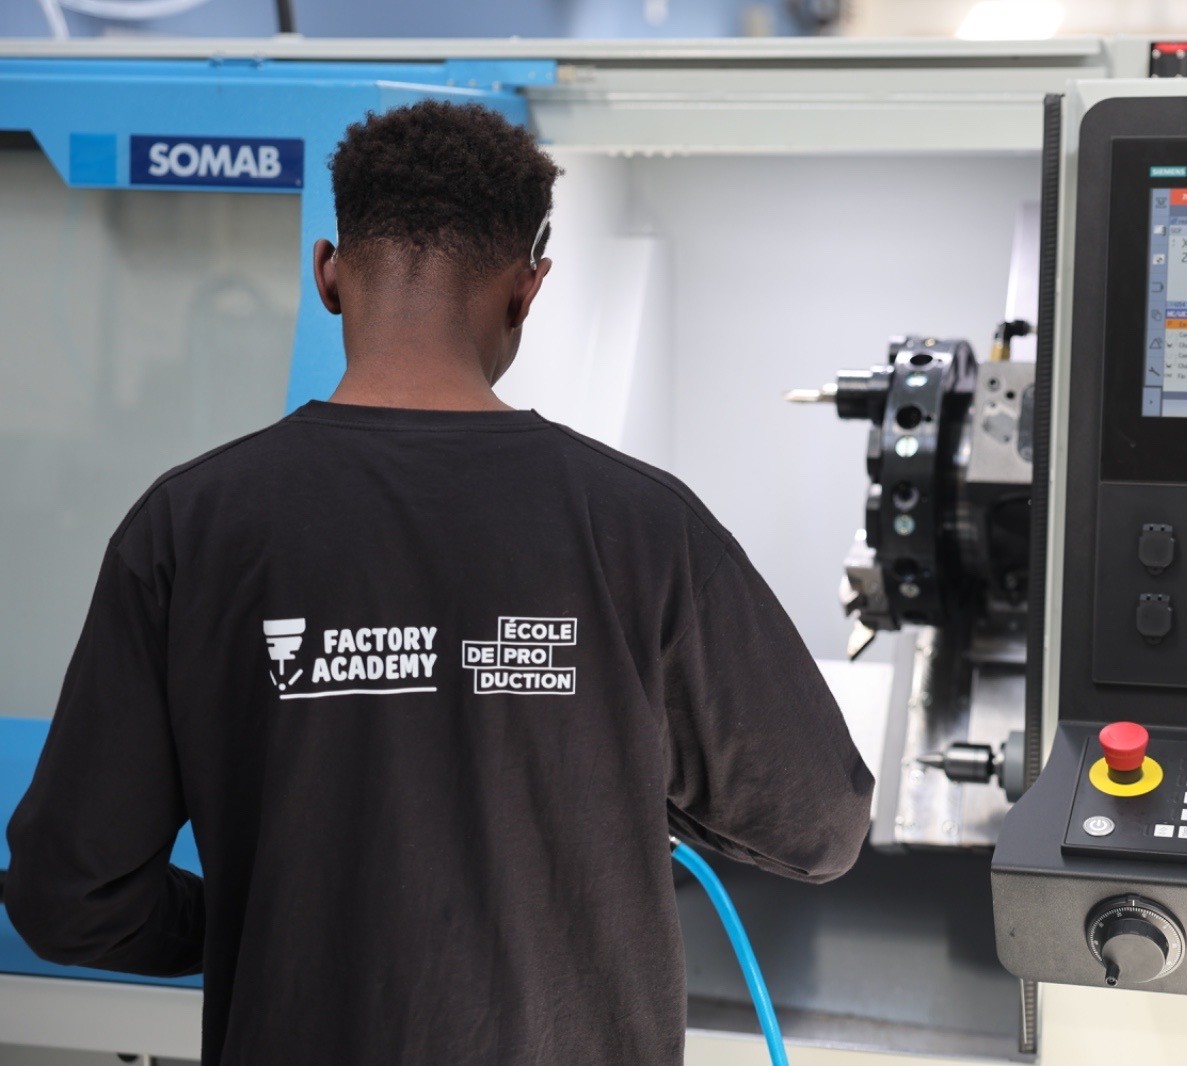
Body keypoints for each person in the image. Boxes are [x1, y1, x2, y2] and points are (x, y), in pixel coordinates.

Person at [5, 100, 873, 1065]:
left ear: (328, 273)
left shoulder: (188, 527)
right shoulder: (644, 528)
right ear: (526, 292)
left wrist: (264, 926)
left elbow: (70, 898)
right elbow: (822, 826)